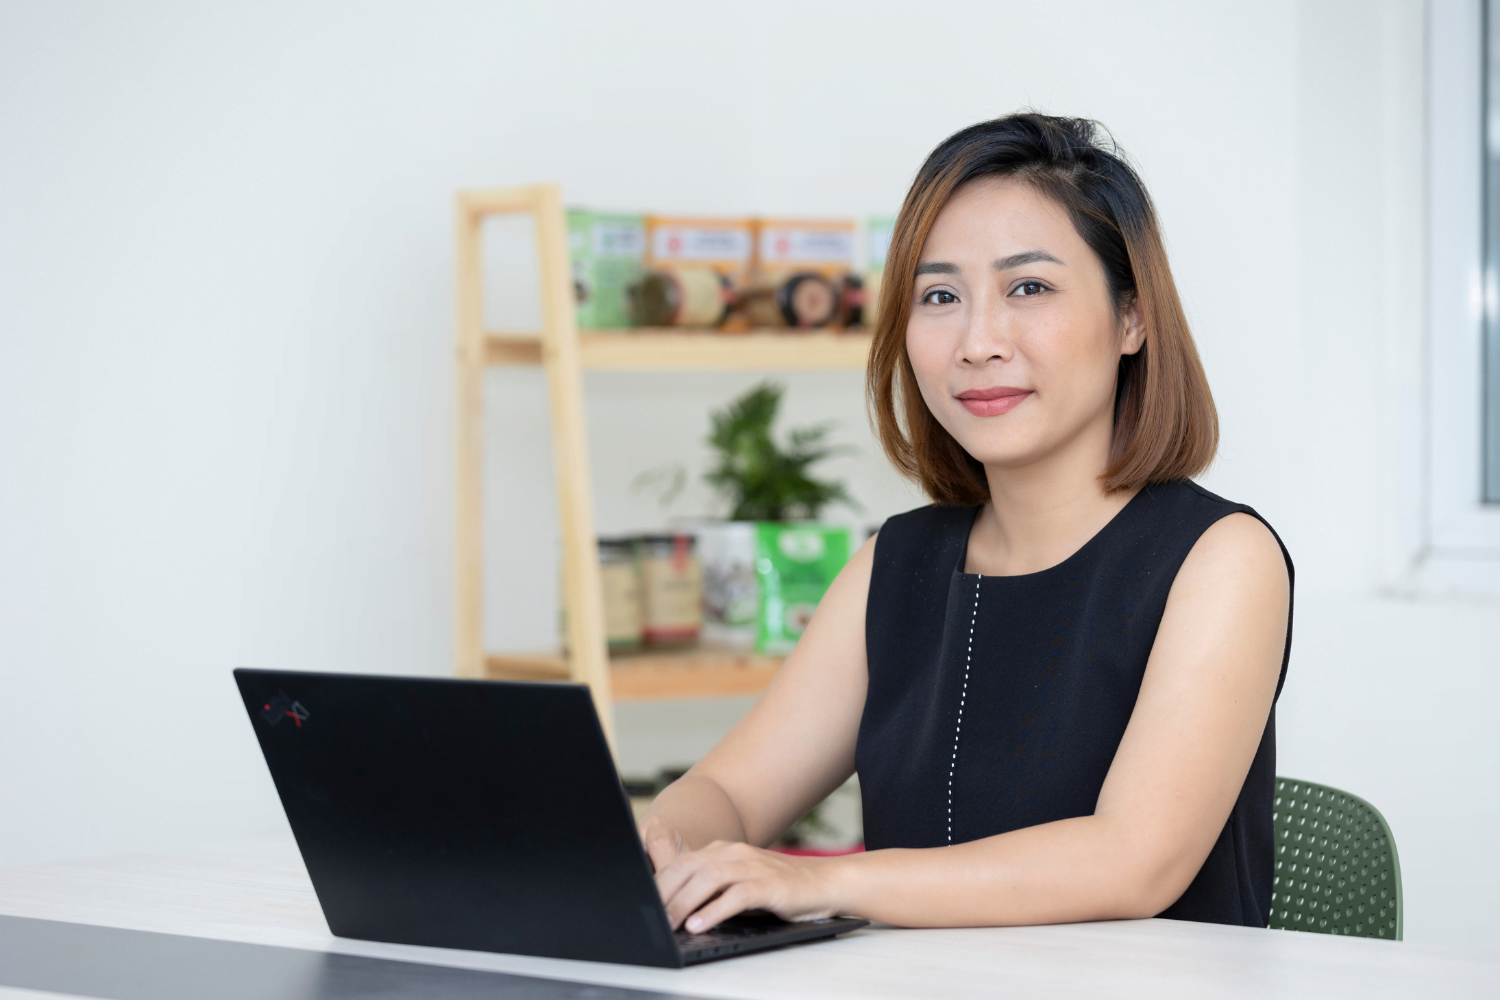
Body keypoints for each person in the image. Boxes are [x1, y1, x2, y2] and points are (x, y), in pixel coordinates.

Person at [639, 113, 1293, 934]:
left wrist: (819, 880)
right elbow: (730, 792)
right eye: (941, 297)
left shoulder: (1221, 559)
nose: (979, 343)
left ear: (1132, 318)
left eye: (1030, 288)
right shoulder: (895, 563)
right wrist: (664, 848)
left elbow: (1134, 860)